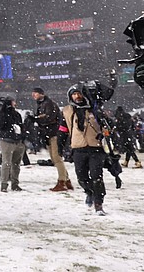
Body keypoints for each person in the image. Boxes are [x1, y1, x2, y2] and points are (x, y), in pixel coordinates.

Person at [63, 84, 109, 216]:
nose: (77, 96)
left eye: (79, 93)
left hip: (96, 149)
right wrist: (61, 148)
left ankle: (98, 204)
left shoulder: (95, 109)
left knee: (97, 177)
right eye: (74, 94)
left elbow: (108, 126)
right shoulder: (67, 111)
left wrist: (104, 132)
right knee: (81, 177)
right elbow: (63, 130)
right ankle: (89, 192)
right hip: (78, 149)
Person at [32, 87, 73, 191]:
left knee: (57, 158)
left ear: (41, 94)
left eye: (35, 93)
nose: (33, 95)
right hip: (49, 133)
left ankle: (62, 181)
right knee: (55, 158)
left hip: (54, 133)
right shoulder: (42, 104)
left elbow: (49, 117)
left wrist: (38, 119)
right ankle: (66, 180)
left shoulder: (49, 103)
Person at [0, 98, 26, 192]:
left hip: (15, 140)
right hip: (8, 140)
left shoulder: (15, 114)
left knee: (14, 163)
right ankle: (6, 184)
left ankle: (13, 183)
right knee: (8, 163)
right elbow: (0, 125)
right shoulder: (3, 114)